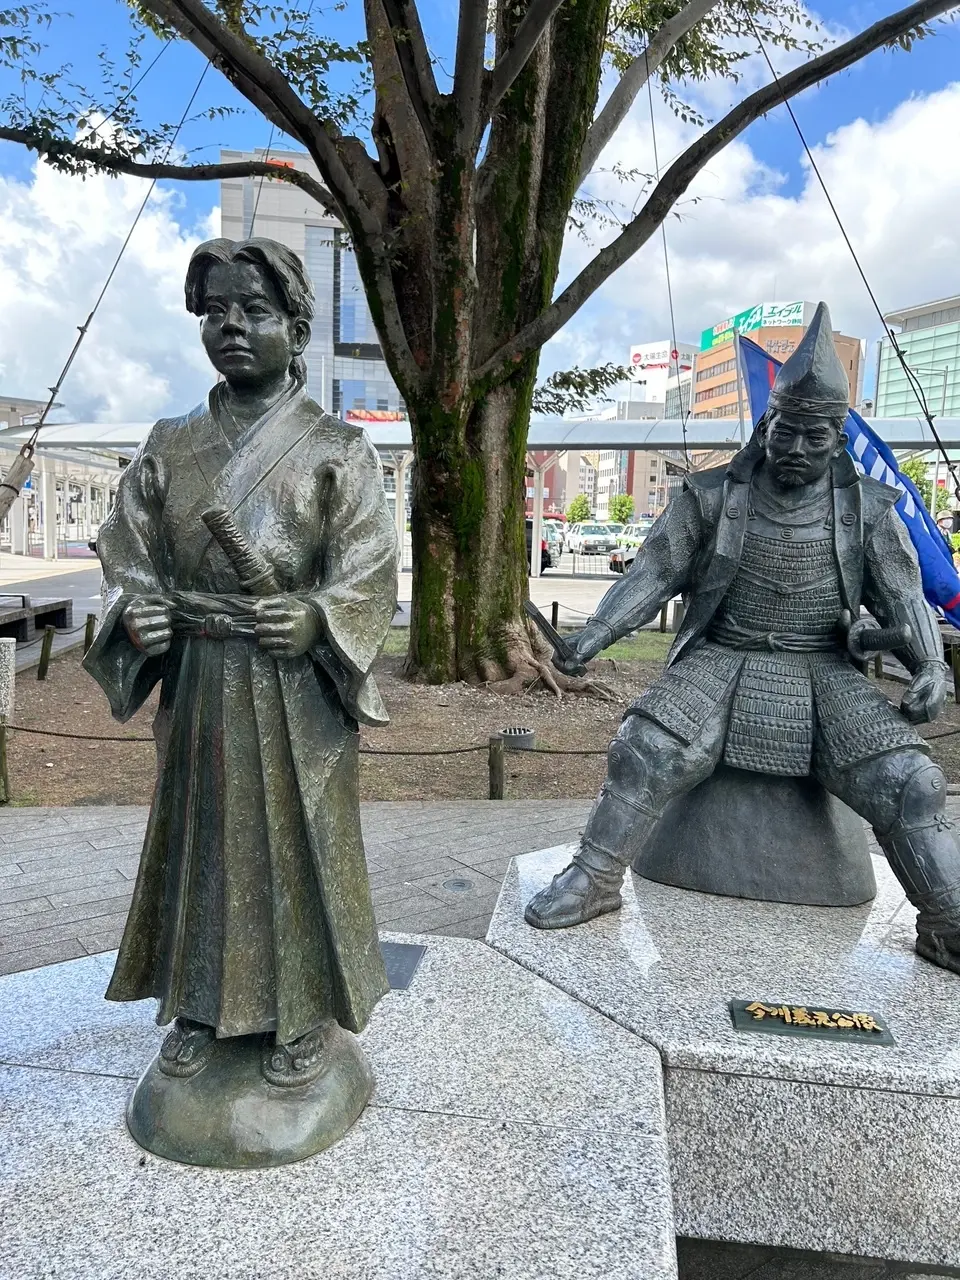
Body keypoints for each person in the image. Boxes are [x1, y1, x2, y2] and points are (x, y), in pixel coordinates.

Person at [526, 303, 960, 978]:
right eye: (787, 432)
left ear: (837, 437)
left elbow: (905, 595)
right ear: (767, 422)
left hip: (824, 670)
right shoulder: (708, 497)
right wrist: (597, 635)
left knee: (912, 784)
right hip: (723, 655)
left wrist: (930, 664)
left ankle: (946, 918)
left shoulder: (870, 510)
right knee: (643, 749)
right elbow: (654, 574)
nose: (796, 450)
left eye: (816, 439)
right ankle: (595, 877)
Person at [84, 237, 398, 1084]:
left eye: (255, 310)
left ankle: (301, 1016)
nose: (232, 326)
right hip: (200, 681)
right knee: (200, 843)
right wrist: (137, 614)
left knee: (294, 847)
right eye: (215, 311)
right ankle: (197, 1004)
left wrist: (316, 618)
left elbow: (369, 571)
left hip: (294, 688)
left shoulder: (338, 448)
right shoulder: (169, 443)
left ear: (297, 331)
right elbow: (130, 554)